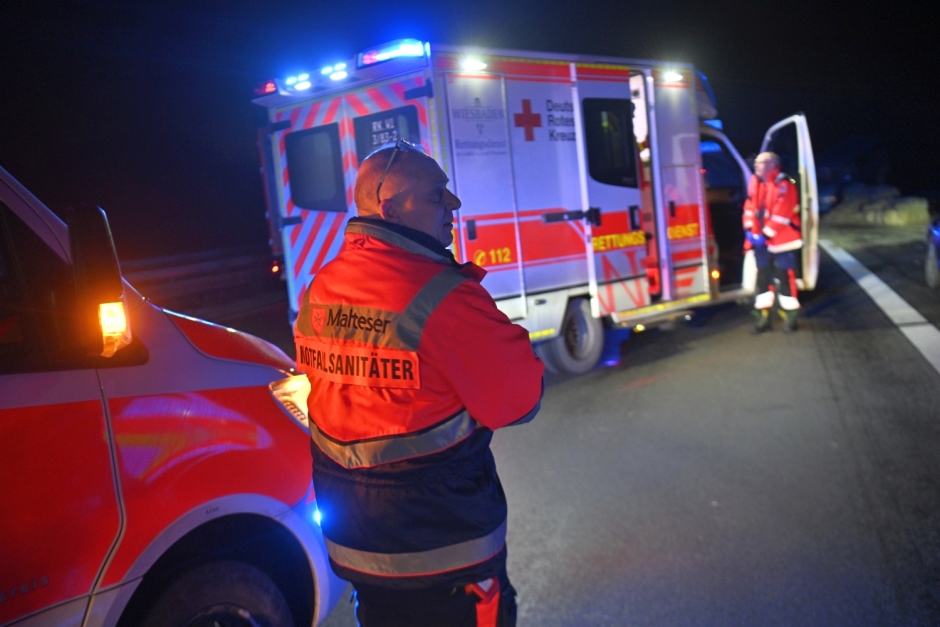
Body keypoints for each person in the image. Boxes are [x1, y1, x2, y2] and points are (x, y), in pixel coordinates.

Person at [294, 139, 545, 626]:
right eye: (436, 195)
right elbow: (520, 401)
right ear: (390, 208)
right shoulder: (442, 298)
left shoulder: (320, 287)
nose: (453, 204)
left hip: (357, 547)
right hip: (446, 552)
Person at [742, 152, 802, 332]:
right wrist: (749, 230)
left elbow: (781, 214)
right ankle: (763, 316)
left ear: (771, 164)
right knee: (762, 278)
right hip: (762, 243)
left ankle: (791, 317)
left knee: (784, 277)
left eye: (760, 163)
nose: (755, 166)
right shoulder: (757, 184)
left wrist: (764, 235)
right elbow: (748, 209)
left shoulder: (783, 184)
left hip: (782, 242)